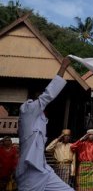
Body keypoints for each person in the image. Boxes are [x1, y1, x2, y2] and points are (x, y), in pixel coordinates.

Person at [15, 57, 73, 191]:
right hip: (29, 172)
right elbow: (47, 96)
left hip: (43, 170)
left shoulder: (40, 119)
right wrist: (63, 67)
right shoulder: (27, 109)